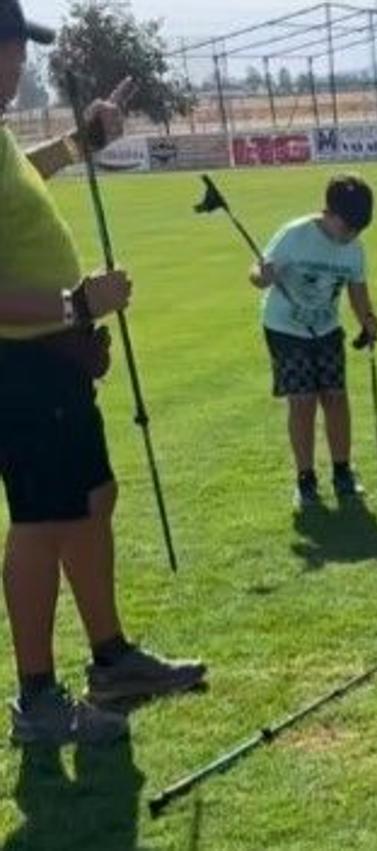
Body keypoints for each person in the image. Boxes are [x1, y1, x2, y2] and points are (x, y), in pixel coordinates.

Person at [0, 0, 205, 745]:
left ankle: (112, 658)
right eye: (8, 48)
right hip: (18, 363)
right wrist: (75, 300)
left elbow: (23, 174)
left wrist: (80, 141)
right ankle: (37, 697)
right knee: (39, 520)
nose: (19, 63)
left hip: (50, 356)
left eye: (21, 48)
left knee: (91, 497)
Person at [251, 174, 377, 508]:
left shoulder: (354, 248)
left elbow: (357, 288)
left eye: (358, 230)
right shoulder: (295, 235)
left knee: (336, 397)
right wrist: (262, 276)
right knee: (303, 401)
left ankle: (342, 472)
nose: (351, 236)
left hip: (326, 329)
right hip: (285, 328)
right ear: (329, 213)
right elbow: (259, 272)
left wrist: (368, 318)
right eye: (347, 227)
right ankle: (305, 480)